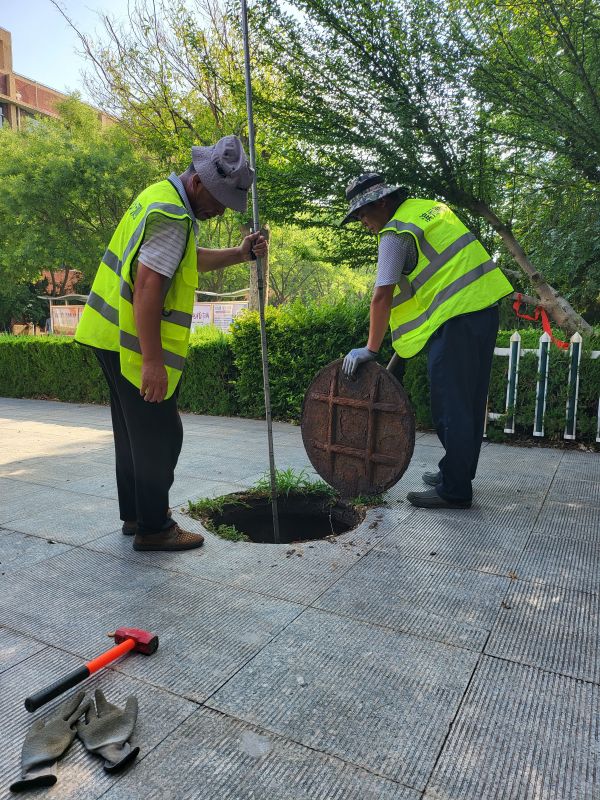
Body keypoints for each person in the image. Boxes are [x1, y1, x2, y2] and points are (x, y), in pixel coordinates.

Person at [76, 135, 267, 551]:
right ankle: (155, 528)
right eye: (219, 201)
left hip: (107, 333)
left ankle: (137, 516)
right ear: (198, 182)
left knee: (133, 433)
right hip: (130, 342)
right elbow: (148, 287)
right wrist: (152, 361)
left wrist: (240, 254)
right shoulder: (172, 215)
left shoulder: (160, 198)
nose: (220, 211)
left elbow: (186, 258)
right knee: (160, 437)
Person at [340, 173, 513, 509]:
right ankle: (457, 472)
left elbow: (381, 295)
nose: (363, 223)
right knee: (470, 401)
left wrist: (371, 349)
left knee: (450, 405)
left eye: (362, 214)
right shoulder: (430, 209)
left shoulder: (395, 232)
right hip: (484, 308)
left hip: (456, 317)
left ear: (382, 202)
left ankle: (455, 490)